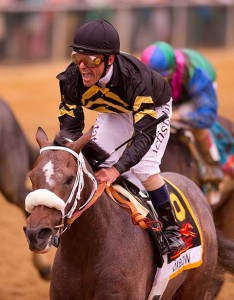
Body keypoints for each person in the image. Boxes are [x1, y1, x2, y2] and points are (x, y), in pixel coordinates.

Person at [56, 19, 185, 253]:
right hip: (113, 110)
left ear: (110, 59)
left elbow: (144, 135)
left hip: (153, 109)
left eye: (92, 60)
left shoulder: (136, 79)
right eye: (78, 58)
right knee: (94, 163)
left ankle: (171, 230)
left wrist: (118, 169)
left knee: (144, 168)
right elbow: (70, 127)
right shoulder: (70, 79)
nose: (82, 67)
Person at [141, 41, 224, 184]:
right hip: (177, 89)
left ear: (173, 71)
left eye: (161, 78)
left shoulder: (197, 74)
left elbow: (207, 116)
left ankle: (212, 165)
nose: (154, 83)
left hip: (199, 89)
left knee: (196, 125)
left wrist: (180, 116)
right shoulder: (147, 72)